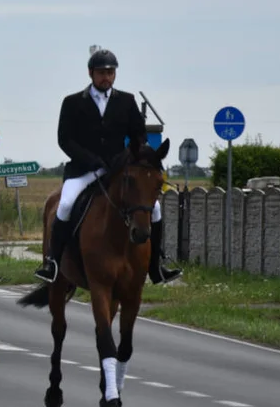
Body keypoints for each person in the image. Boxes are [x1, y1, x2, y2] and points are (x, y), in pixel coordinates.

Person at [33, 47, 182, 285]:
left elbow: (139, 135)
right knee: (66, 204)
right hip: (83, 170)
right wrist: (89, 159)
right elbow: (65, 139)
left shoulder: (126, 101)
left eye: (111, 72)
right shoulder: (72, 103)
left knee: (154, 209)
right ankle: (52, 262)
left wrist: (127, 156)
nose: (107, 77)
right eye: (102, 72)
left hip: (118, 169)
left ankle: (156, 265)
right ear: (91, 73)